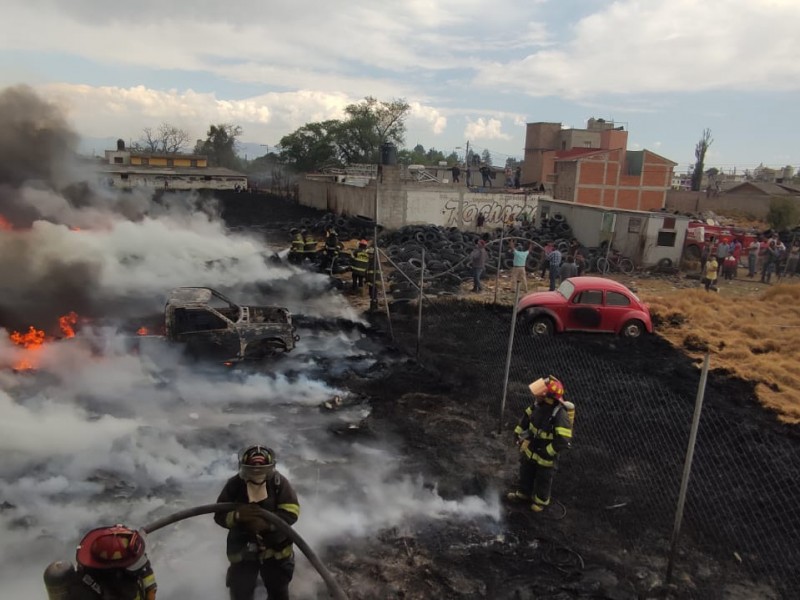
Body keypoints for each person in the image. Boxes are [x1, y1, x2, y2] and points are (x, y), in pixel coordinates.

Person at [215, 445, 300, 600]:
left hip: (276, 553)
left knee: (278, 593)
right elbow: (219, 514)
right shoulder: (235, 484)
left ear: (271, 467)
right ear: (243, 467)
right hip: (243, 552)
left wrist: (269, 525)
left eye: (262, 469)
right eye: (252, 469)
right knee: (241, 593)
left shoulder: (279, 483)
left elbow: (292, 512)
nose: (257, 473)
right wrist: (236, 516)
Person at [507, 376, 575, 513]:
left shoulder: (559, 415)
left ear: (549, 397)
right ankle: (523, 493)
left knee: (543, 478)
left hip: (546, 455)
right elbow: (525, 420)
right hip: (531, 448)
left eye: (539, 394)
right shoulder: (537, 406)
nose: (535, 395)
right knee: (526, 471)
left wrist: (548, 451)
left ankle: (540, 501)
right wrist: (518, 433)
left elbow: (563, 440)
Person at [43, 524, 157, 600]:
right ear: (116, 567)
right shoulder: (120, 590)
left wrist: (151, 589)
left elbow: (143, 568)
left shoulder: (91, 572)